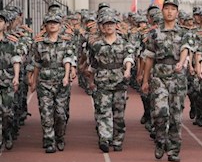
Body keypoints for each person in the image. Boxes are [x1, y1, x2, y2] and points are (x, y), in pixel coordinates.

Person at [141, 0, 194, 162]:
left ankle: (173, 149)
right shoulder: (154, 33)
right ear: (162, 11)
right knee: (160, 112)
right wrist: (145, 80)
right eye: (167, 8)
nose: (170, 11)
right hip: (159, 77)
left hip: (177, 77)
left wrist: (181, 62)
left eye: (173, 9)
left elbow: (186, 49)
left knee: (176, 116)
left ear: (177, 13)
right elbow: (149, 57)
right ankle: (160, 140)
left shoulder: (184, 32)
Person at [86, 9, 135, 153]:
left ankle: (118, 139)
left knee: (119, 114)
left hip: (120, 81)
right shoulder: (97, 45)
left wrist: (127, 70)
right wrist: (90, 79)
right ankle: (105, 138)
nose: (109, 27)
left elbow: (129, 58)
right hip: (102, 81)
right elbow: (93, 63)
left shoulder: (124, 43)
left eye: (111, 24)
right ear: (101, 26)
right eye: (106, 24)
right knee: (104, 111)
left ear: (116, 25)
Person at [30, 12, 75, 153]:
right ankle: (49, 140)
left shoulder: (66, 42)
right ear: (45, 26)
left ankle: (60, 137)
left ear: (60, 26)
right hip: (44, 82)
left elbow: (68, 60)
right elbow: (37, 63)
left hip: (62, 82)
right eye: (50, 23)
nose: (52, 25)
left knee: (61, 114)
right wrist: (33, 80)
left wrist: (67, 76)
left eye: (55, 23)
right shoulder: (39, 44)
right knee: (46, 113)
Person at [0, 11, 21, 150]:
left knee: (7, 112)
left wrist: (16, 77)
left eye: (1, 21)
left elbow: (16, 60)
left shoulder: (11, 41)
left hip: (7, 79)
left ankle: (7, 133)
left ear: (6, 24)